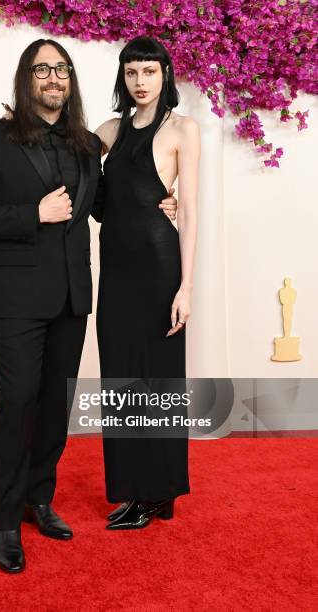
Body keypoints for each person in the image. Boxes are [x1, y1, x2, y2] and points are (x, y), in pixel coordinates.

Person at [0, 38, 178, 573]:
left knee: (55, 407)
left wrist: (164, 201)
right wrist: (33, 213)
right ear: (25, 78)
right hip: (13, 300)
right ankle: (6, 522)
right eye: (42, 70)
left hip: (74, 297)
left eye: (62, 69)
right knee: (18, 402)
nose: (53, 78)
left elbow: (106, 204)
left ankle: (39, 501)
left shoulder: (83, 144)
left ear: (71, 81)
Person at [92, 36, 200, 529]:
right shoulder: (108, 131)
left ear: (165, 75)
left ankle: (157, 492)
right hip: (114, 269)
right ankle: (137, 490)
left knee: (158, 381)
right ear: (123, 77)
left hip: (159, 270)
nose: (140, 82)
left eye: (149, 72)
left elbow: (192, 211)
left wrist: (187, 287)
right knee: (121, 379)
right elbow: (72, 169)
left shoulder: (183, 129)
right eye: (132, 72)